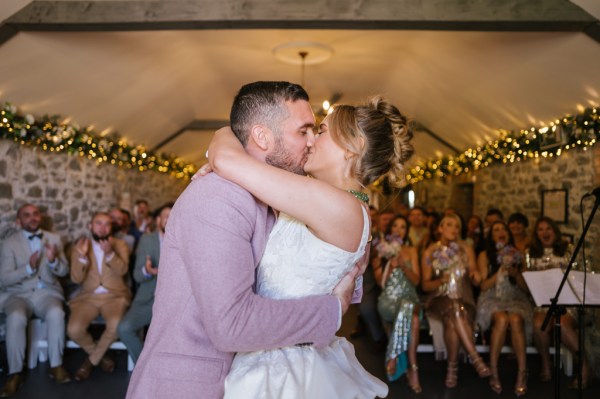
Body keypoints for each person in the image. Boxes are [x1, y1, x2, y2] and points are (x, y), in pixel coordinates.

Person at [127, 82, 363, 399]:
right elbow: (231, 325)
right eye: (303, 131)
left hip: (249, 379)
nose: (310, 143)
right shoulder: (218, 196)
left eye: (315, 132)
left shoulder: (276, 197)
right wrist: (332, 310)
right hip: (188, 383)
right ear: (262, 136)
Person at [206, 93, 413, 399]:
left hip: (284, 370)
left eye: (322, 131)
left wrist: (228, 132)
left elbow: (225, 158)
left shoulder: (336, 206)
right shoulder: (331, 203)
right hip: (269, 347)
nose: (311, 140)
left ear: (351, 148)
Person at [0, 204, 71, 396]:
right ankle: (15, 374)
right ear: (18, 221)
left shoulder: (54, 239)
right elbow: (4, 278)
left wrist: (53, 260)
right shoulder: (9, 242)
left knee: (57, 312)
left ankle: (56, 365)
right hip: (18, 294)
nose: (32, 218)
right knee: (15, 316)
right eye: (26, 215)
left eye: (35, 214)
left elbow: (64, 271)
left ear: (40, 217)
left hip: (47, 292)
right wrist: (29, 269)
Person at [421, 214, 491, 388]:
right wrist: (440, 281)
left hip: (463, 298)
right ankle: (475, 358)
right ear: (440, 228)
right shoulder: (430, 251)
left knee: (454, 316)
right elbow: (424, 285)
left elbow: (475, 276)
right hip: (439, 299)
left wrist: (476, 276)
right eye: (449, 225)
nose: (454, 229)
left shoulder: (466, 248)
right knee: (454, 308)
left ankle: (452, 369)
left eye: (457, 226)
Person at [526, 216, 589, 388]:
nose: (545, 233)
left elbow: (580, 275)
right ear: (536, 233)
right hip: (544, 302)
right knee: (540, 325)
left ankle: (583, 367)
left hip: (567, 301)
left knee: (562, 324)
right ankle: (546, 364)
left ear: (555, 231)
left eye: (548, 229)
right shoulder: (531, 253)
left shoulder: (568, 250)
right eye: (540, 229)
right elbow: (528, 281)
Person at [68, 211, 131, 381]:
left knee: (116, 324)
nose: (102, 228)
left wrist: (110, 253)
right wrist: (81, 257)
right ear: (90, 226)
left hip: (115, 296)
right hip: (88, 297)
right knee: (73, 330)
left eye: (107, 224)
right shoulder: (80, 246)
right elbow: (76, 278)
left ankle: (89, 362)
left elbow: (123, 270)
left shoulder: (120, 245)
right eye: (98, 223)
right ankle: (101, 357)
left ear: (112, 227)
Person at [475, 221, 532, 396]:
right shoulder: (485, 255)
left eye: (503, 229)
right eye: (496, 229)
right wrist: (500, 270)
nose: (500, 232)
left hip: (515, 296)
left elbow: (526, 288)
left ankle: (522, 373)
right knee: (501, 318)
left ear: (508, 234)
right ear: (491, 236)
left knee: (515, 319)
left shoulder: (518, 254)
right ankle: (494, 370)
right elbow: (483, 286)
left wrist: (515, 274)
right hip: (492, 296)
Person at [117, 203, 172, 364]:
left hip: (176, 303)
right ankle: (145, 367)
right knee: (124, 328)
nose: (170, 220)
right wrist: (147, 271)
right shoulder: (147, 240)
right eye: (166, 216)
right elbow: (136, 276)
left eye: (174, 216)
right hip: (149, 299)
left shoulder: (187, 240)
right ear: (158, 220)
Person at [374, 215, 422, 392]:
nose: (399, 229)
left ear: (406, 231)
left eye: (403, 227)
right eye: (395, 226)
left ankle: (393, 356)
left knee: (409, 309)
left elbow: (417, 282)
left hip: (410, 298)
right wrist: (390, 266)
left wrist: (403, 266)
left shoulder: (412, 251)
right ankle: (413, 368)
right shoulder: (381, 251)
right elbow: (381, 283)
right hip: (388, 301)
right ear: (390, 229)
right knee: (412, 317)